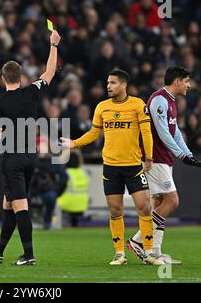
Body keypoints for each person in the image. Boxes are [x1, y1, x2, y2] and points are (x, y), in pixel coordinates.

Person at [61, 69, 164, 265]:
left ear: (124, 85)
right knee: (115, 210)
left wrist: (148, 156)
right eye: (108, 82)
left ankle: (148, 252)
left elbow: (146, 132)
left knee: (144, 207)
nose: (109, 86)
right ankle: (119, 254)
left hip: (133, 166)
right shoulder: (102, 107)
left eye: (113, 82)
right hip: (110, 166)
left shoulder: (137, 105)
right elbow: (94, 133)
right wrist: (74, 143)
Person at [0, 30, 61, 266]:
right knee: (9, 203)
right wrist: (53, 45)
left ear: (3, 79)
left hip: (13, 159)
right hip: (30, 157)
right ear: (21, 77)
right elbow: (50, 72)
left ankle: (28, 254)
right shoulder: (31, 92)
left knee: (20, 205)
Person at [126, 66, 201, 264]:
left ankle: (154, 251)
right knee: (172, 201)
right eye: (186, 81)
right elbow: (163, 132)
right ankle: (138, 241)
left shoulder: (170, 101)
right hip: (154, 158)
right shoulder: (159, 99)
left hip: (164, 158)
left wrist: (189, 154)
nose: (189, 85)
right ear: (177, 81)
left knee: (158, 204)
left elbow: (174, 132)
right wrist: (182, 155)